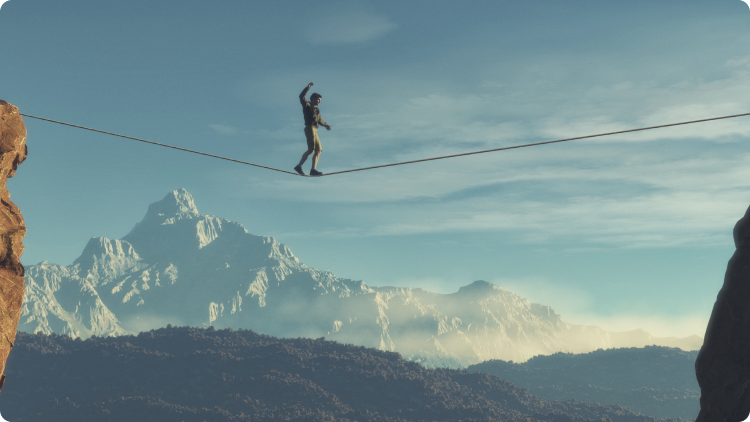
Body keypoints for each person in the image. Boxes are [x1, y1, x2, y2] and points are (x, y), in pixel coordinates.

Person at [294, 82, 331, 176]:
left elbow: (320, 120)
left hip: (315, 129)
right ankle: (299, 166)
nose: (319, 101)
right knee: (311, 149)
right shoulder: (307, 105)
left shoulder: (317, 110)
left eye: (320, 100)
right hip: (309, 128)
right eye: (318, 99)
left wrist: (326, 125)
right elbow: (301, 96)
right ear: (313, 99)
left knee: (318, 150)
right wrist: (308, 87)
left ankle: (313, 170)